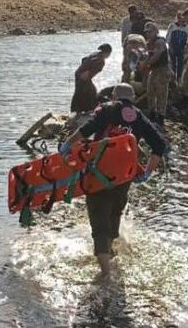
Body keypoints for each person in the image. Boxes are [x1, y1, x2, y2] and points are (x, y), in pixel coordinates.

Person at [59, 83, 167, 277]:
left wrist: (67, 145)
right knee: (114, 214)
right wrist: (147, 172)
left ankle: (105, 275)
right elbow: (159, 145)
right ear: (132, 98)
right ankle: (110, 255)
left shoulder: (107, 110)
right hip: (123, 178)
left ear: (115, 96)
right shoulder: (139, 117)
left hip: (98, 175)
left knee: (99, 221)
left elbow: (86, 130)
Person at [140, 22, 170, 125]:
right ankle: (152, 113)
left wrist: (146, 63)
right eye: (147, 32)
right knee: (150, 91)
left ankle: (161, 116)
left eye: (150, 31)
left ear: (156, 31)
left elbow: (157, 55)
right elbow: (148, 55)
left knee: (161, 93)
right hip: (154, 70)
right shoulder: (149, 43)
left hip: (162, 69)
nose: (148, 34)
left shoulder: (160, 41)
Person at [70, 43, 112, 113]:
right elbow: (89, 71)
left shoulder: (95, 54)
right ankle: (85, 110)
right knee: (86, 92)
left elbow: (84, 59)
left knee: (86, 91)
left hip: (79, 73)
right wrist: (86, 75)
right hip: (83, 76)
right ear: (107, 53)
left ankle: (78, 110)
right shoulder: (100, 61)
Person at [165, 11, 188, 80]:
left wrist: (186, 49)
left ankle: (179, 79)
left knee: (180, 65)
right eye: (180, 17)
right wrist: (170, 47)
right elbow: (168, 37)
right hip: (173, 47)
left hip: (182, 48)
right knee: (172, 64)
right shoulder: (172, 26)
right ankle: (172, 79)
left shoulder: (187, 27)